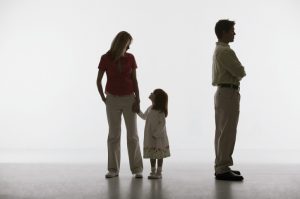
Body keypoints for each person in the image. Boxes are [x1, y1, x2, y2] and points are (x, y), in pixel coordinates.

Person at [97, 31, 143, 178]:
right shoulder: (105, 58)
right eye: (128, 43)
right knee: (114, 135)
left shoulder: (131, 58)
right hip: (112, 99)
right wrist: (104, 99)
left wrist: (138, 100)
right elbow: (98, 80)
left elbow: (134, 80)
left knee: (133, 135)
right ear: (122, 43)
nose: (129, 47)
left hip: (130, 98)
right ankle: (113, 169)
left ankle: (137, 169)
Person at [212, 20, 246, 181]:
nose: (234, 33)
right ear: (224, 32)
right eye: (232, 30)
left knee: (221, 131)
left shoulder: (220, 49)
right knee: (227, 132)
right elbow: (240, 71)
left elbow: (238, 72)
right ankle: (222, 168)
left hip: (223, 92)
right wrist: (239, 71)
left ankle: (221, 166)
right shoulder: (225, 51)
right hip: (228, 93)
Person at [135, 89, 170, 179]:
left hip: (158, 137)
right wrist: (137, 111)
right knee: (152, 154)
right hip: (150, 136)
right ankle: (152, 171)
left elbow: (162, 124)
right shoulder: (150, 108)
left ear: (157, 98)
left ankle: (159, 172)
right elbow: (144, 116)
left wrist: (156, 134)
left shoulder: (160, 111)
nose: (151, 93)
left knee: (159, 154)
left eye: (153, 93)